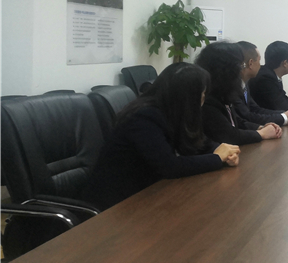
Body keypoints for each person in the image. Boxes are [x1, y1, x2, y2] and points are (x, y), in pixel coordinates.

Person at [82, 63, 240, 211]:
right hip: (117, 204)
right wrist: (217, 158)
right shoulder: (143, 117)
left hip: (149, 192)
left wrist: (222, 151)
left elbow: (197, 141)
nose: (203, 99)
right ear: (189, 97)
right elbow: (170, 166)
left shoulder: (173, 111)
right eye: (203, 94)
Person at [195, 42, 282, 145]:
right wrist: (261, 134)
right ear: (226, 71)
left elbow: (237, 121)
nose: (242, 71)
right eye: (240, 66)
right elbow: (229, 135)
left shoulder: (222, 93)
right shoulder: (208, 100)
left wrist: (260, 127)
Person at [234, 41, 288, 127]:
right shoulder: (234, 88)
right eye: (259, 61)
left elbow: (256, 109)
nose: (260, 66)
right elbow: (247, 116)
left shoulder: (245, 84)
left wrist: (284, 115)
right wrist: (284, 117)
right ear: (250, 63)